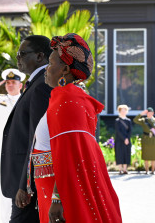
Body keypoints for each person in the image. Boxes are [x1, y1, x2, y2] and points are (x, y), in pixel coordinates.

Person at [29, 33, 121, 222]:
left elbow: (69, 153)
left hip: (63, 191)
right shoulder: (68, 97)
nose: (46, 68)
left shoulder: (68, 99)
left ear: (64, 70)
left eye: (51, 63)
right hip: (55, 185)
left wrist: (57, 198)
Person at [1, 35, 52, 223]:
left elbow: (36, 138)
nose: (18, 59)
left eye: (22, 54)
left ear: (40, 56)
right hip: (25, 181)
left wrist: (25, 185)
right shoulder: (36, 82)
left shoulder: (41, 86)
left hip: (28, 186)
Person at [0, 68, 25, 223]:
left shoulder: (25, 99)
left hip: (22, 150)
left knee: (23, 188)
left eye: (13, 82)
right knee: (5, 188)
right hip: (2, 151)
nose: (10, 85)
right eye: (8, 82)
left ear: (20, 85)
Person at [134, 107, 155, 174]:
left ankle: (153, 171)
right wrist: (141, 114)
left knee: (153, 157)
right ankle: (147, 171)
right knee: (146, 156)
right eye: (148, 113)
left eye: (151, 113)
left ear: (153, 113)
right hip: (146, 140)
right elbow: (135, 120)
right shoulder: (144, 120)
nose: (149, 114)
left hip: (153, 140)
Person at [115, 104, 132, 175]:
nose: (123, 112)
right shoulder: (117, 121)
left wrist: (127, 139)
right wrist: (124, 139)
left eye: (125, 110)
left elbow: (130, 131)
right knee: (119, 154)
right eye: (122, 110)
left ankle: (125, 169)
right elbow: (118, 131)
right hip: (119, 140)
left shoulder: (129, 121)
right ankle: (120, 169)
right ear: (119, 111)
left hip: (127, 141)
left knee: (126, 154)